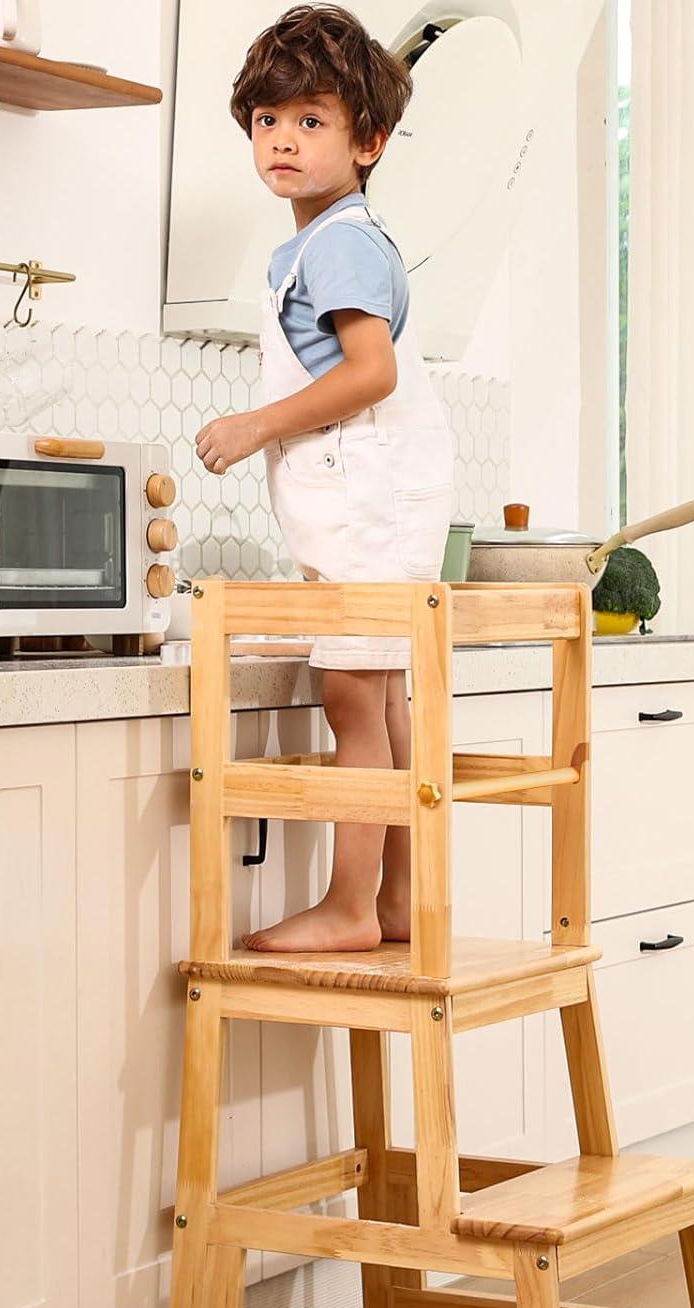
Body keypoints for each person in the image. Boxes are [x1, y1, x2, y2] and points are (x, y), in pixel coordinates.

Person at [195, 3, 455, 953]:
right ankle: (396, 899)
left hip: (370, 497)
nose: (283, 140)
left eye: (312, 121)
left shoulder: (340, 240)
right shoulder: (324, 239)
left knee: (352, 695)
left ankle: (350, 905)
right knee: (380, 698)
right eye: (268, 119)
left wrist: (253, 425)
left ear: (368, 142)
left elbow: (370, 373)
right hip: (377, 494)